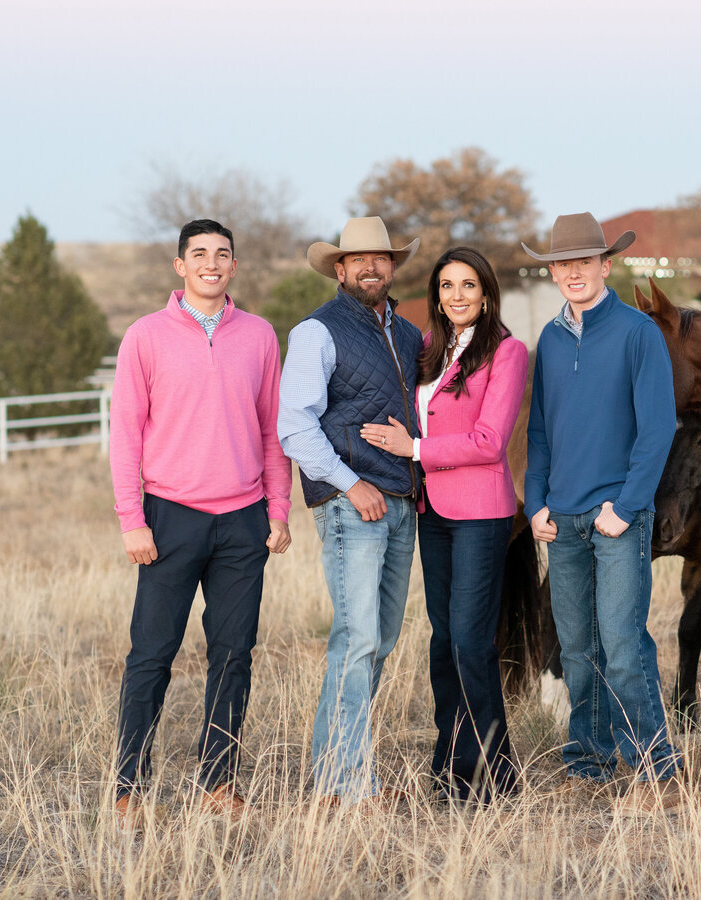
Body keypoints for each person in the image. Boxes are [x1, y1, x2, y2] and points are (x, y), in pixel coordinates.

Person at [109, 218, 292, 824]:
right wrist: (132, 519)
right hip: (169, 518)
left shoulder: (261, 336)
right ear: (180, 266)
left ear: (234, 266)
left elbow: (272, 432)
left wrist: (278, 510)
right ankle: (129, 788)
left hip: (243, 522)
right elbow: (125, 435)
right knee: (152, 655)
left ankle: (219, 781)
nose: (212, 263)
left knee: (234, 653)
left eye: (222, 254)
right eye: (199, 254)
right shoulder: (145, 336)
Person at [522, 212, 683, 814]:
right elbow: (539, 432)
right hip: (559, 519)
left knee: (621, 641)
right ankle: (587, 761)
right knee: (575, 648)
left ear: (605, 266)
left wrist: (629, 504)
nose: (571, 273)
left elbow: (658, 426)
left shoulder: (638, 333)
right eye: (561, 265)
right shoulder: (552, 338)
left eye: (582, 263)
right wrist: (536, 502)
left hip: (617, 514)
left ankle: (653, 767)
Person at [360, 247, 527, 804]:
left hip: (481, 511)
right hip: (433, 511)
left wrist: (416, 448)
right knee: (443, 641)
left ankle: (496, 775)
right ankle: (450, 763)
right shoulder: (428, 350)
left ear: (486, 293)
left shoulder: (505, 352)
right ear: (436, 294)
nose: (457, 295)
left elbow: (489, 441)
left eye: (469, 285)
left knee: (472, 642)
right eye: (447, 285)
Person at [277, 216, 423, 807]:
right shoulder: (316, 331)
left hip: (402, 503)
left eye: (380, 258)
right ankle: (341, 785)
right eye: (357, 259)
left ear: (392, 267)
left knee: (382, 637)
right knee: (357, 636)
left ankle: (347, 767)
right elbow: (295, 427)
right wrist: (349, 483)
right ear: (340, 269)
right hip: (350, 504)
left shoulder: (409, 335)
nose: (370, 267)